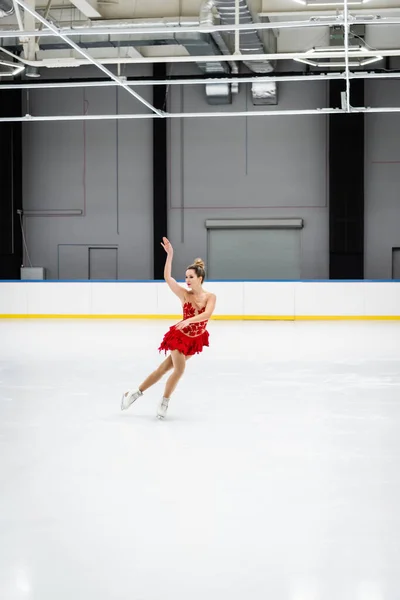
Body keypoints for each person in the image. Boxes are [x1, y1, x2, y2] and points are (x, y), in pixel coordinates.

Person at [121, 237, 217, 419]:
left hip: (195, 339)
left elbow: (207, 314)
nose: (187, 280)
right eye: (186, 277)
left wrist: (189, 321)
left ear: (200, 278)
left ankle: (134, 393)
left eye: (191, 277)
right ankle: (164, 401)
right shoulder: (183, 294)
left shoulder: (211, 297)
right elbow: (167, 277)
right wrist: (170, 255)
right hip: (179, 337)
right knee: (179, 370)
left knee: (163, 369)